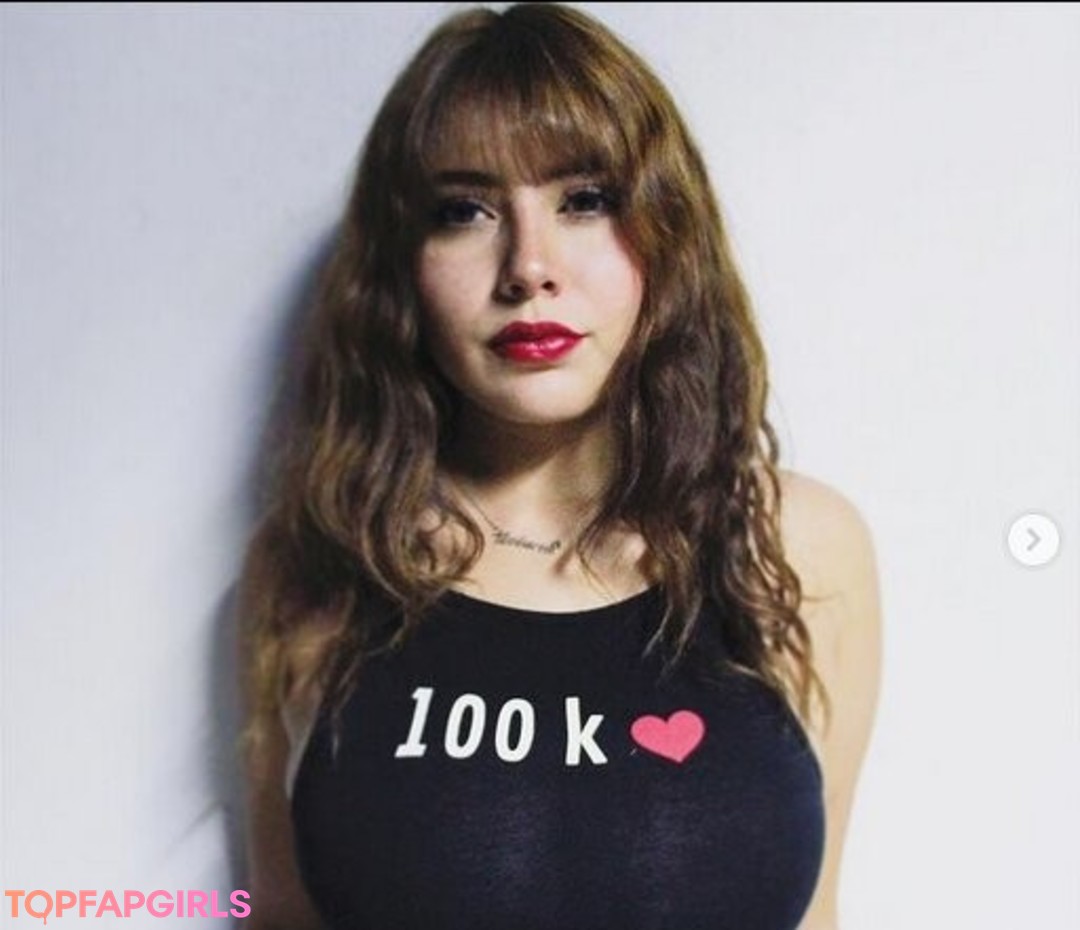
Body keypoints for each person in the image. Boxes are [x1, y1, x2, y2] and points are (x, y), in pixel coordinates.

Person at [238, 4, 881, 929]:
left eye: (586, 199)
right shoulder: (318, 562)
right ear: (401, 266)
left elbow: (816, 917)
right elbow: (276, 916)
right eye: (463, 211)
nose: (529, 267)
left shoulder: (795, 546)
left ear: (668, 230)